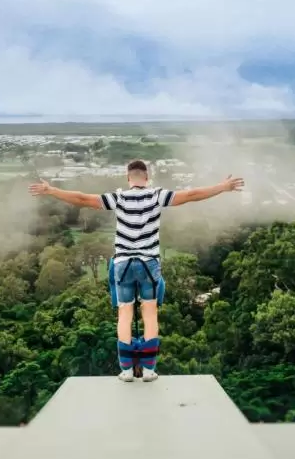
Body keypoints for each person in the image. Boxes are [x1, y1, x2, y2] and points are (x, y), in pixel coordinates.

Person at [28, 159, 244, 381]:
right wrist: (222, 187)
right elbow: (191, 195)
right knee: (150, 313)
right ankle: (149, 371)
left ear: (128, 178)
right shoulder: (156, 195)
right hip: (149, 264)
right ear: (147, 177)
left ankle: (127, 371)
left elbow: (83, 199)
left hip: (123, 265)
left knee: (125, 314)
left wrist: (51, 190)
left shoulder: (119, 197)